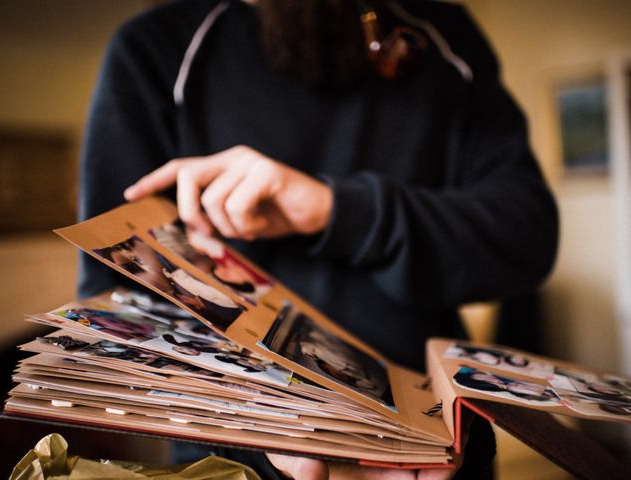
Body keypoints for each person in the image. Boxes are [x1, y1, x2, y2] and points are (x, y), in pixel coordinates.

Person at [77, 0, 558, 478]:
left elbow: (527, 236)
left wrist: (334, 212)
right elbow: (118, 307)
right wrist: (255, 438)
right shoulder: (157, 48)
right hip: (234, 463)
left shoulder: (444, 38)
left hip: (439, 451)